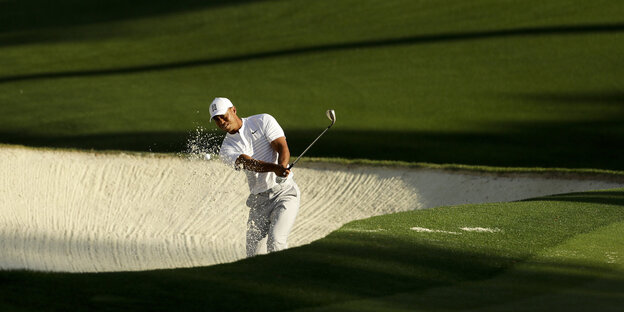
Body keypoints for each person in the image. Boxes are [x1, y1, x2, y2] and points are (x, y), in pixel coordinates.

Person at [209, 97, 301, 257]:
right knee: (253, 255)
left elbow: (281, 146)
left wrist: (283, 166)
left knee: (276, 241)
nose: (222, 122)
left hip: (284, 194)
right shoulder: (226, 149)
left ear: (233, 110)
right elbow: (248, 163)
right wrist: (275, 168)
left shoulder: (262, 120)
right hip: (258, 202)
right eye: (217, 120)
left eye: (223, 116)